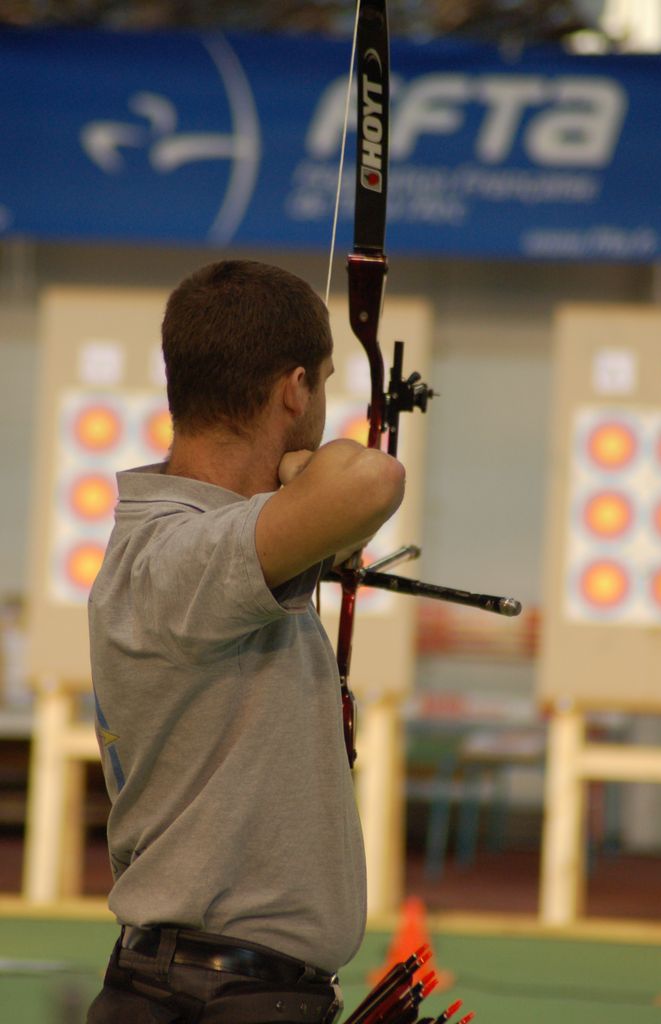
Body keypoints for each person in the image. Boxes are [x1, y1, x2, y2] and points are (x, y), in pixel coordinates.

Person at [86, 259, 405, 1023]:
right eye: (322, 383)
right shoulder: (189, 556)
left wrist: (291, 499)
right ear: (292, 389)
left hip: (182, 989)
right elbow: (371, 480)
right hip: (224, 998)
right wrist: (303, 476)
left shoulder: (178, 546)